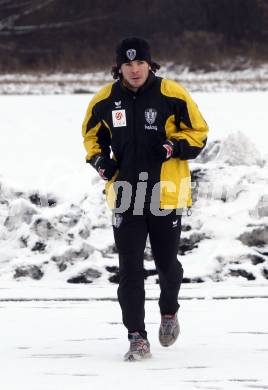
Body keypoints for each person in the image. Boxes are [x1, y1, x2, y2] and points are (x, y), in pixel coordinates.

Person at [82, 37, 208, 361]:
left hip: (165, 194)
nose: (134, 70)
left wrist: (172, 147)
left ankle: (169, 311)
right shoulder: (104, 100)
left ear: (150, 64)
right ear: (119, 67)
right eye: (128, 64)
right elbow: (91, 138)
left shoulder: (172, 94)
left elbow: (198, 133)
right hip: (125, 194)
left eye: (140, 64)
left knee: (167, 264)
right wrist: (100, 161)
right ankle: (136, 337)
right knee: (130, 270)